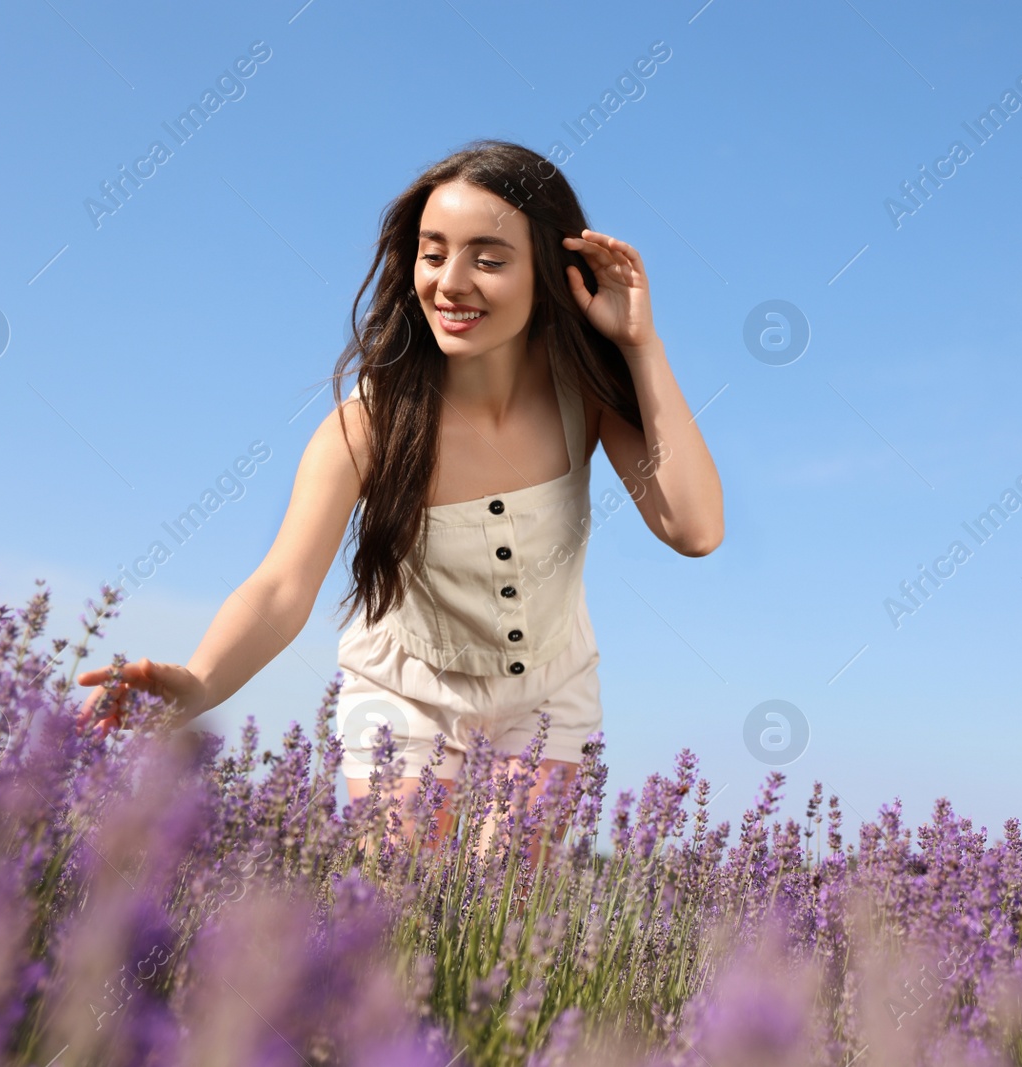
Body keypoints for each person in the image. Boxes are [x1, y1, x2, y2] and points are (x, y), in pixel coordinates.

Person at [75, 139, 723, 853]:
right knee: (401, 908)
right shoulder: (370, 422)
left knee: (499, 927)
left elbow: (693, 527)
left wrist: (640, 343)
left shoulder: (585, 401)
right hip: (406, 694)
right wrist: (198, 680)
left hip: (547, 696)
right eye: (433, 252)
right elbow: (282, 586)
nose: (450, 281)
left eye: (489, 257)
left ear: (550, 272)